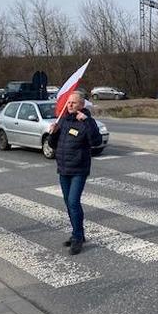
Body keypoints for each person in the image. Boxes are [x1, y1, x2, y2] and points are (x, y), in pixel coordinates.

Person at [48, 91, 102, 255]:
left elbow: (96, 141)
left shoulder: (87, 121)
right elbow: (53, 145)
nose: (69, 105)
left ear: (81, 105)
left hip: (79, 169)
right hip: (64, 168)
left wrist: (86, 123)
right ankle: (77, 233)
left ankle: (78, 238)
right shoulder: (63, 121)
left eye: (73, 103)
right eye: (69, 102)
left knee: (73, 202)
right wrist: (54, 132)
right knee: (68, 202)